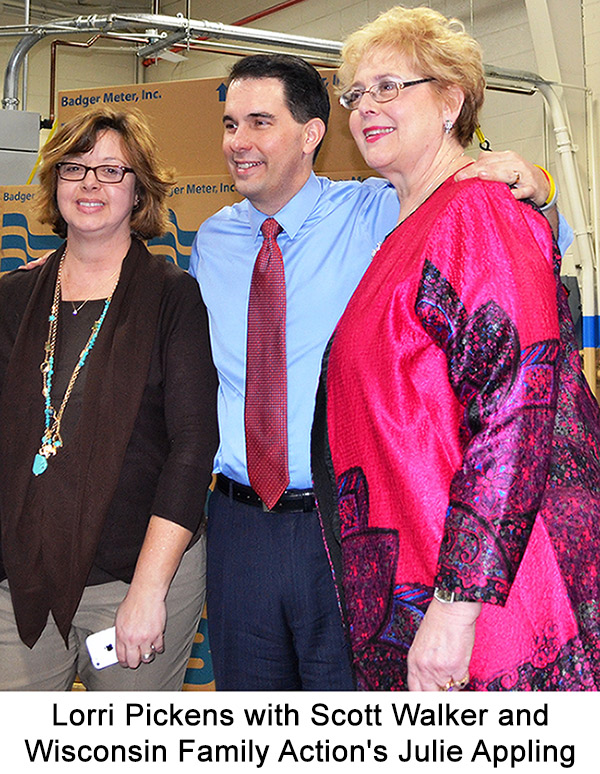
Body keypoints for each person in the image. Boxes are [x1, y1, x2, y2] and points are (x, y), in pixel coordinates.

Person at [189, 52, 561, 690]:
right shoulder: (211, 241)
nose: (238, 143)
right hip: (238, 526)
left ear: (311, 135)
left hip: (344, 528)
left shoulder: (377, 210)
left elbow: (489, 229)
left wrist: (538, 179)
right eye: (229, 125)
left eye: (258, 122)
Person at [311, 5, 600, 691]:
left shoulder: (477, 211)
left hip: (494, 602)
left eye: (389, 86)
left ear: (450, 99)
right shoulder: (412, 225)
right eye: (355, 93)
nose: (364, 107)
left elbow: (516, 411)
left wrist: (456, 605)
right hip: (422, 575)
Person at [0, 107, 219, 691]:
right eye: (74, 167)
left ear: (139, 188)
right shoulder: (14, 298)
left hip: (136, 577)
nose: (90, 183)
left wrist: (149, 591)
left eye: (111, 170)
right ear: (53, 181)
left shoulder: (174, 299)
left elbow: (193, 449)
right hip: (22, 577)